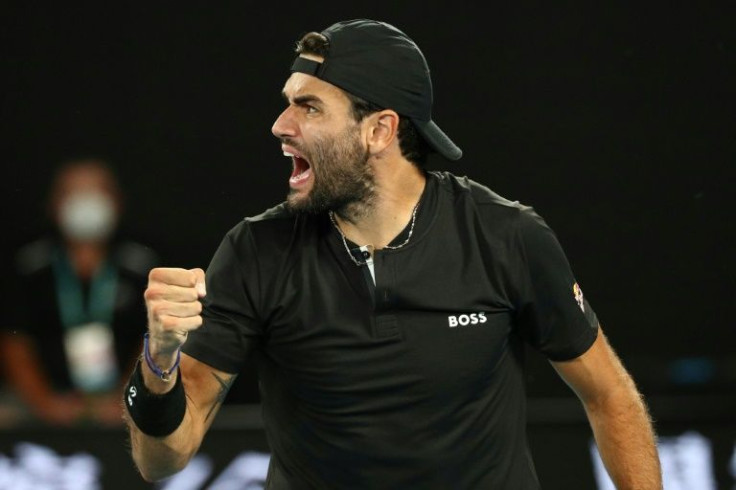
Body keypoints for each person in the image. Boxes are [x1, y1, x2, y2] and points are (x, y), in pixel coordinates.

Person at [123, 19, 662, 489]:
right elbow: (161, 462)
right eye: (288, 103)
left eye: (308, 107)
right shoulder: (255, 250)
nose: (281, 126)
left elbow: (610, 395)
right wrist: (159, 363)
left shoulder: (506, 235)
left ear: (380, 129)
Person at [1, 158, 158, 426]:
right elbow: (14, 342)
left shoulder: (144, 264)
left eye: (96, 191)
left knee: (173, 413)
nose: (85, 202)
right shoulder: (28, 266)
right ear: (53, 204)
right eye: (73, 192)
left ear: (117, 202)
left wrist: (126, 398)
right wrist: (46, 404)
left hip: (129, 396)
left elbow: (157, 340)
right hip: (42, 399)